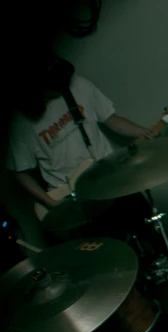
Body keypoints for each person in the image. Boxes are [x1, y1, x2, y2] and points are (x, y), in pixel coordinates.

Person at [5, 54, 158, 248]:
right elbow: (20, 172)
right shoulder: (20, 120)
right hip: (72, 197)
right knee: (106, 253)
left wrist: (143, 131)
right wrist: (49, 203)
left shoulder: (78, 85)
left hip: (109, 177)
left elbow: (110, 119)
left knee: (149, 230)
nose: (62, 86)